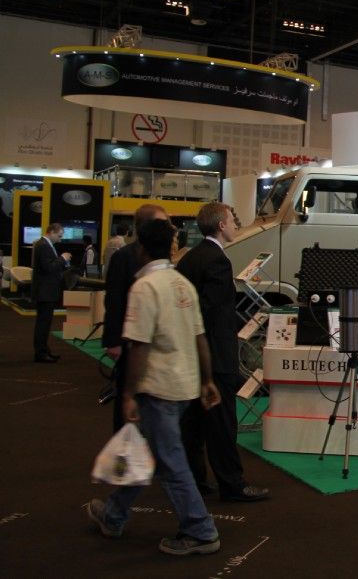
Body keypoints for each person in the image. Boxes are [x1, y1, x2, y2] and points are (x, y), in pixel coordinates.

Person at [87, 217, 222, 556]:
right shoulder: (182, 284)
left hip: (158, 387)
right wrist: (207, 380)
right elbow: (200, 337)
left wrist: (128, 393)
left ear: (141, 247)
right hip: (185, 384)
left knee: (169, 460)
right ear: (172, 247)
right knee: (145, 452)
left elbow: (139, 346)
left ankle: (201, 530)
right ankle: (113, 515)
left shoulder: (144, 287)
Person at [177, 202, 270, 503]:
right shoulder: (217, 260)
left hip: (192, 354)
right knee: (222, 425)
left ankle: (195, 480)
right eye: (232, 220)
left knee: (192, 424)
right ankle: (232, 485)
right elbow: (213, 314)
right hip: (215, 357)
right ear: (220, 225)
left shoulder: (190, 258)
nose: (235, 225)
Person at [103, 204, 168, 432]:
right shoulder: (123, 257)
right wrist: (113, 340)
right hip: (129, 340)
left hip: (154, 343)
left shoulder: (163, 257)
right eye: (161, 222)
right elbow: (114, 299)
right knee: (126, 395)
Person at [30, 223, 71, 363]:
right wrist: (63, 258)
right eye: (59, 236)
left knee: (44, 324)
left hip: (46, 291)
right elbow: (49, 268)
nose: (60, 239)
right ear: (51, 232)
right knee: (43, 324)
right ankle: (41, 353)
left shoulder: (44, 245)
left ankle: (44, 351)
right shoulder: (43, 245)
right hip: (45, 292)